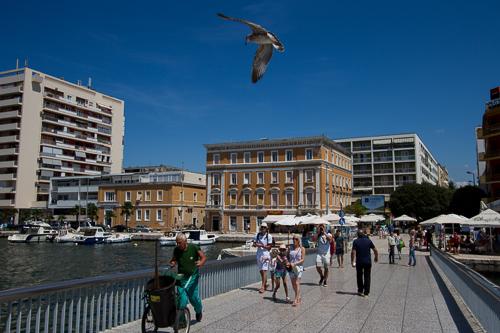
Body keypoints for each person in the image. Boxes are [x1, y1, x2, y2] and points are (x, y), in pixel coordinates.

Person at [169, 233, 206, 322]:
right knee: (182, 299)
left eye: (179, 243)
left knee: (194, 299)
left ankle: (198, 311)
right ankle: (181, 322)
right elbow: (174, 259)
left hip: (192, 277)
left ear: (185, 242)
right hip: (181, 278)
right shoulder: (177, 250)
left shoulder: (193, 247)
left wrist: (201, 263)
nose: (178, 245)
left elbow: (203, 257)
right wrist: (173, 263)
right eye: (177, 243)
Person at [351, 230, 378, 297]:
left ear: (357, 235)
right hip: (368, 262)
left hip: (359, 262)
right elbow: (375, 250)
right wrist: (376, 257)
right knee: (367, 277)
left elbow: (353, 252)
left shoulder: (355, 241)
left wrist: (352, 261)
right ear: (363, 234)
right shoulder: (368, 241)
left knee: (359, 276)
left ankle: (360, 290)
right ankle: (366, 292)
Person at [253, 222, 273, 293]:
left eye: (264, 227)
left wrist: (262, 245)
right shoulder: (257, 235)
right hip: (259, 254)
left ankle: (262, 286)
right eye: (262, 227)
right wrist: (256, 245)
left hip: (266, 255)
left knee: (264, 270)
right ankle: (265, 282)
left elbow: (269, 247)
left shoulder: (269, 236)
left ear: (266, 228)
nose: (263, 228)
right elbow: (254, 244)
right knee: (261, 270)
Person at [288, 235, 305, 307]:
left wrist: (295, 263)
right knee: (293, 284)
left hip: (298, 267)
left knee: (297, 283)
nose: (294, 240)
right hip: (291, 267)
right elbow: (287, 257)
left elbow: (303, 259)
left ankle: (296, 299)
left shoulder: (302, 248)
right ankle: (298, 296)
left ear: (299, 240)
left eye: (296, 239)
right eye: (293, 239)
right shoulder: (290, 247)